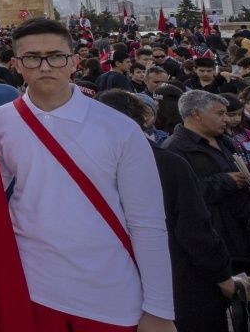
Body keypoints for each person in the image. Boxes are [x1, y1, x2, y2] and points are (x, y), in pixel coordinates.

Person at [0, 17, 173, 331]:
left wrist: (159, 308)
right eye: (32, 58)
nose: (45, 66)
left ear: (74, 61)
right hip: (32, 289)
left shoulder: (119, 129)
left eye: (56, 56)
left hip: (110, 295)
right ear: (17, 64)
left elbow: (147, 222)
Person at [98, 90, 237, 332]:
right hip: (179, 284)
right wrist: (222, 275)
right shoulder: (169, 160)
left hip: (120, 287)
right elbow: (194, 227)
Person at [162, 90, 250, 273]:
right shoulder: (175, 149)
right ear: (196, 114)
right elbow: (177, 199)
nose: (226, 119)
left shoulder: (225, 141)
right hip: (215, 241)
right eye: (220, 113)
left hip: (242, 233)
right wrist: (222, 182)